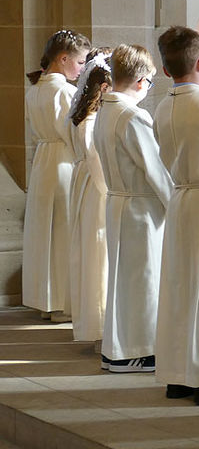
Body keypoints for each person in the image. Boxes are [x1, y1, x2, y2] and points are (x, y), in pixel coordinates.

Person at [153, 26, 199, 406]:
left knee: (179, 287)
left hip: (179, 196)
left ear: (165, 70)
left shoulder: (162, 107)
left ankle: (178, 374)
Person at [95, 44, 173, 372]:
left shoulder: (105, 110)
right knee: (142, 281)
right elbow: (155, 168)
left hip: (118, 202)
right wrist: (177, 202)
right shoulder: (133, 115)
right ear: (141, 81)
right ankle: (138, 350)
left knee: (122, 281)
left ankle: (116, 349)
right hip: (140, 207)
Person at [23, 29, 90, 320]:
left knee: (45, 231)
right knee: (62, 229)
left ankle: (45, 298)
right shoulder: (65, 91)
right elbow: (73, 132)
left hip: (42, 161)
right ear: (62, 59)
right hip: (63, 160)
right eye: (80, 62)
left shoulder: (35, 88)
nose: (82, 68)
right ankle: (62, 302)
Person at [67, 48, 112, 341]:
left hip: (82, 184)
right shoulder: (93, 121)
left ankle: (92, 322)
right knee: (98, 255)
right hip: (96, 191)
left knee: (90, 254)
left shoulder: (80, 115)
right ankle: (99, 325)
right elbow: (99, 167)